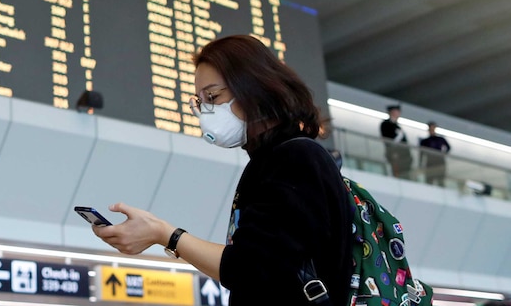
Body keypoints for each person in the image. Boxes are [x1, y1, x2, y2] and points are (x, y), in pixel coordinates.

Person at [92, 35, 352, 305]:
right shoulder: (272, 160)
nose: (206, 113)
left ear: (254, 87)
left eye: (213, 96)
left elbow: (250, 267)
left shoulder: (295, 158)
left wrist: (165, 234)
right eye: (201, 102)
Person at [380, 104, 412, 178]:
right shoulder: (385, 124)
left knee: (404, 171)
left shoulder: (398, 126)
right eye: (396, 112)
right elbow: (386, 139)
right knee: (396, 169)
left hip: (404, 154)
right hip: (394, 152)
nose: (398, 114)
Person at [419, 121, 450, 186]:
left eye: (433, 128)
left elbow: (448, 148)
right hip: (430, 162)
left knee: (440, 180)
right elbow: (421, 153)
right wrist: (420, 164)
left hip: (440, 162)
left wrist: (443, 154)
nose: (432, 130)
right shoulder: (425, 141)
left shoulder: (440, 139)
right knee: (429, 180)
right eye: (431, 128)